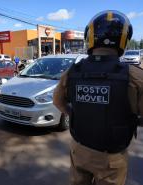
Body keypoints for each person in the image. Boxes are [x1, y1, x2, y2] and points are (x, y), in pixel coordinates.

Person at [53, 10, 143, 185]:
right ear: (123, 39)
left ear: (91, 37)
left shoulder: (73, 71)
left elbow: (58, 102)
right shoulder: (134, 76)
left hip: (79, 150)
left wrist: (77, 114)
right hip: (111, 158)